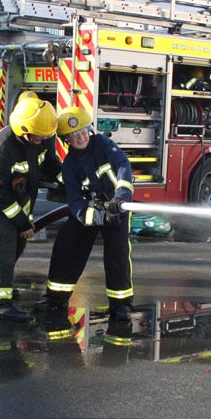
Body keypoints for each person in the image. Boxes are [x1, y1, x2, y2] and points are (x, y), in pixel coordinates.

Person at [35, 106, 135, 321]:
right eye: (73, 136)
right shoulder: (70, 164)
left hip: (118, 205)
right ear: (66, 140)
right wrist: (98, 216)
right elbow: (74, 202)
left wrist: (121, 196)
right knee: (67, 246)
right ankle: (56, 300)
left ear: (89, 130)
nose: (80, 138)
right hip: (93, 208)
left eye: (82, 132)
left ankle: (121, 305)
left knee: (117, 254)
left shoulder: (103, 144)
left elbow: (123, 166)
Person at [0, 96, 62, 322]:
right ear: (23, 130)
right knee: (6, 238)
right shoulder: (2, 146)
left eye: (46, 136)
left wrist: (68, 180)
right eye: (38, 136)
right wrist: (20, 222)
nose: (42, 140)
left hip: (17, 196)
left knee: (18, 242)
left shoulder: (42, 134)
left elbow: (50, 164)